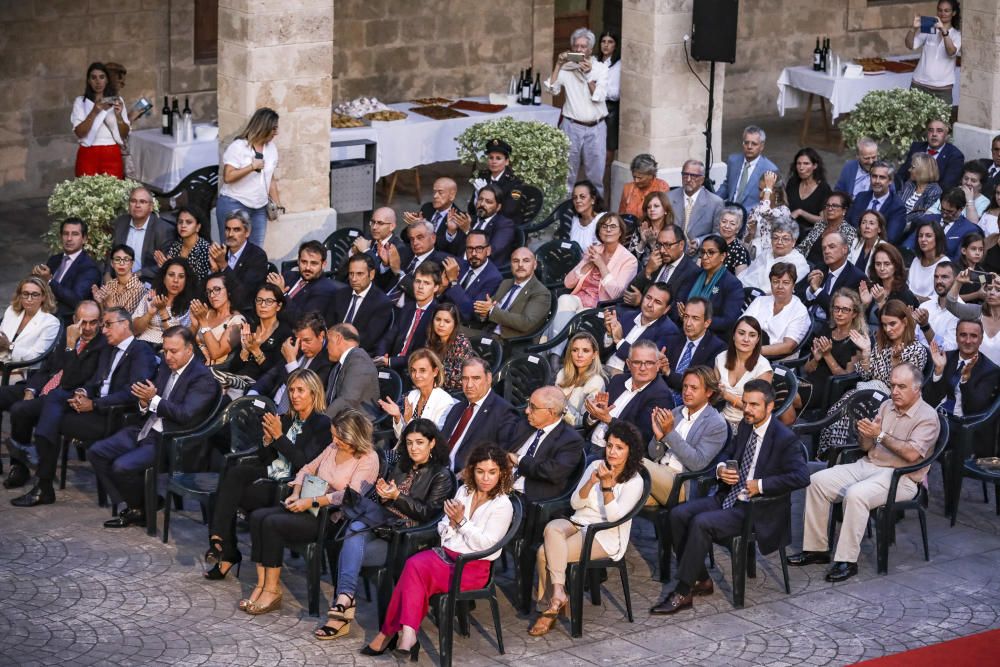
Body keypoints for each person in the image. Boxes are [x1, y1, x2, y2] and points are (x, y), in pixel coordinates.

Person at [651, 379, 809, 614]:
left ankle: (683, 592)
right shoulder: (746, 426)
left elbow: (801, 476)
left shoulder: (785, 438)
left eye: (754, 405)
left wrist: (762, 485)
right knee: (678, 514)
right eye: (745, 403)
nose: (747, 410)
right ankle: (701, 579)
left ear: (770, 406)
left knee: (701, 522)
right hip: (730, 496)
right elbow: (728, 452)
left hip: (757, 508)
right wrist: (722, 468)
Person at [362, 444, 513, 659]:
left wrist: (460, 522)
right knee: (413, 565)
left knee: (413, 573)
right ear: (472, 470)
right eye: (480, 471)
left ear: (502, 473)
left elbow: (486, 546)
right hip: (446, 556)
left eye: (492, 472)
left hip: (471, 567)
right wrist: (452, 524)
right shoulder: (464, 491)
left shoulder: (502, 505)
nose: (485, 478)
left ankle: (393, 634)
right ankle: (407, 633)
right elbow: (442, 528)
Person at [792, 364, 939, 582]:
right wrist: (865, 434)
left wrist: (879, 436)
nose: (895, 391)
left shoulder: (927, 417)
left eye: (902, 387)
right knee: (817, 481)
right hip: (869, 464)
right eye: (893, 385)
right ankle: (816, 549)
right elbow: (867, 447)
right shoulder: (887, 405)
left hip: (902, 477)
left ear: (917, 389)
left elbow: (910, 454)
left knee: (856, 494)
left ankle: (847, 561)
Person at [315, 418, 453, 641]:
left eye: (419, 442)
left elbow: (427, 513)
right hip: (384, 527)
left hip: (409, 539)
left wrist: (397, 496)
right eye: (409, 443)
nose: (413, 448)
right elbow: (385, 501)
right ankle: (344, 599)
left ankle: (341, 609)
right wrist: (383, 493)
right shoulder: (401, 467)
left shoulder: (441, 475)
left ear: (432, 443)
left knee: (350, 550)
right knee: (356, 527)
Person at [242, 409, 379, 615]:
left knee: (272, 523)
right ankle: (261, 585)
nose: (334, 440)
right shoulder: (333, 447)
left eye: (339, 437)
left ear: (354, 437)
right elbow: (307, 469)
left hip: (333, 518)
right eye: (333, 434)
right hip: (310, 504)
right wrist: (296, 493)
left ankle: (272, 590)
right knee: (259, 516)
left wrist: (311, 502)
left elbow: (351, 496)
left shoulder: (368, 458)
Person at [204, 369, 332, 580]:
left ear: (314, 393)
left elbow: (305, 465)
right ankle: (223, 544)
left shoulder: (321, 424)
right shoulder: (286, 418)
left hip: (292, 486)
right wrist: (266, 442)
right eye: (291, 390)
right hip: (271, 473)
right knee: (234, 474)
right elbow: (267, 459)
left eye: (301, 390)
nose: (294, 395)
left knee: (224, 497)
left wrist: (279, 437)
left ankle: (225, 551)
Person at [91, 326, 221, 526]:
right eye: (165, 350)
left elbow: (185, 415)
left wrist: (153, 400)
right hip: (147, 428)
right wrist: (144, 403)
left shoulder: (202, 378)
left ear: (189, 350)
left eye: (173, 351)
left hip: (172, 440)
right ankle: (138, 505)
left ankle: (141, 507)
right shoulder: (165, 367)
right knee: (97, 452)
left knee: (121, 466)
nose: (168, 356)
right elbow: (149, 401)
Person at [528, 420, 644, 636]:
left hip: (603, 534)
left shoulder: (634, 481)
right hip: (578, 522)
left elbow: (615, 518)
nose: (612, 452)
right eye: (609, 445)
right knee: (552, 529)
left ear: (631, 451)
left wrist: (607, 487)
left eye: (619, 448)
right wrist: (591, 483)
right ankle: (559, 594)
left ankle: (550, 606)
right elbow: (575, 504)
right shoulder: (594, 466)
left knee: (544, 553)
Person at [2, 301, 105, 492]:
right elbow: (47, 369)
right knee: (3, 395)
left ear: (100, 323)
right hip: (43, 387)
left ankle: (20, 466)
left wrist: (71, 346)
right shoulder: (68, 336)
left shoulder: (101, 346)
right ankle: (20, 459)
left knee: (20, 410)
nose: (88, 328)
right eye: (83, 322)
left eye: (94, 323)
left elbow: (71, 380)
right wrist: (30, 390)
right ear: (74, 320)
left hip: (62, 394)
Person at [817, 300, 928, 458]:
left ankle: (838, 455)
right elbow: (865, 375)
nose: (888, 329)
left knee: (846, 413)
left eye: (892, 324)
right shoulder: (882, 344)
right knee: (837, 411)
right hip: (867, 390)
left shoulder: (917, 350)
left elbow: (901, 387)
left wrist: (896, 362)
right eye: (884, 325)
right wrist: (867, 352)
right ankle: (827, 455)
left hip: (890, 400)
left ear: (904, 322)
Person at [544, 213, 637, 358]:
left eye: (613, 226)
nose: (608, 229)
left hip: (600, 306)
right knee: (564, 300)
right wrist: (587, 263)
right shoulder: (595, 249)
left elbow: (616, 293)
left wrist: (600, 264)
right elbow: (568, 282)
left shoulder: (629, 260)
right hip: (580, 297)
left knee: (572, 316)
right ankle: (555, 356)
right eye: (604, 226)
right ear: (599, 231)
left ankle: (552, 353)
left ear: (620, 232)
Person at [644, 366, 729, 506]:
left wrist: (669, 433)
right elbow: (654, 455)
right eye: (685, 387)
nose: (687, 392)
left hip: (681, 483)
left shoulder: (716, 424)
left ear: (708, 392)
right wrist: (658, 438)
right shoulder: (676, 412)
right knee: (621, 497)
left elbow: (697, 463)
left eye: (694, 388)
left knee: (634, 461)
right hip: (658, 473)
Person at [545, 28, 610, 197]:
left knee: (595, 176)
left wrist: (588, 74)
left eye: (583, 47)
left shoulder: (600, 68)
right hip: (571, 126)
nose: (580, 50)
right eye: (576, 46)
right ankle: (564, 213)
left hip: (596, 128)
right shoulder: (567, 68)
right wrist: (558, 65)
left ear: (590, 49)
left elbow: (600, 96)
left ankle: (598, 215)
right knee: (566, 175)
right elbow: (551, 90)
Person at [585, 339, 672, 449]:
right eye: (637, 362)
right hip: (586, 442)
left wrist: (608, 419)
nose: (643, 368)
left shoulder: (661, 396)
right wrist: (594, 415)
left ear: (658, 365)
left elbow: (641, 437)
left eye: (649, 363)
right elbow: (587, 423)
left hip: (614, 456)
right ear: (628, 364)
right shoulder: (617, 380)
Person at [216, 107, 282, 247]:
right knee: (231, 249)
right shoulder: (239, 146)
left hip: (259, 207)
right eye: (273, 129)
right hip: (234, 203)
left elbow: (270, 178)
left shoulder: (271, 149)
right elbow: (228, 176)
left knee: (256, 251)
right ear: (263, 127)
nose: (276, 133)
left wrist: (277, 204)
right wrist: (251, 167)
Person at [505, 387, 585, 500]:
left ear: (551, 412)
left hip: (525, 498)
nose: (527, 411)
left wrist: (519, 460)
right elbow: (501, 446)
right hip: (497, 486)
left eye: (533, 407)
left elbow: (552, 472)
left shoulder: (570, 440)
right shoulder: (525, 423)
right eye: (528, 404)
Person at [440, 357, 518, 471]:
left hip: (467, 478)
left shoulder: (504, 412)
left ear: (489, 378)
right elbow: (441, 442)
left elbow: (503, 456)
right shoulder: (457, 408)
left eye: (476, 378)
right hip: (439, 472)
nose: (469, 385)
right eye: (465, 379)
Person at [247, 313, 332, 412]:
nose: (302, 347)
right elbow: (271, 375)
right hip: (270, 404)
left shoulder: (327, 362)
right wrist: (253, 393)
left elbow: (305, 393)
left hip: (291, 414)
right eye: (299, 341)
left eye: (307, 341)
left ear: (321, 336)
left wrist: (291, 360)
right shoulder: (296, 349)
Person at [217, 284, 292, 395]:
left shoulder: (284, 332)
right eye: (259, 300)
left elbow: (274, 373)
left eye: (269, 301)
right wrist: (245, 351)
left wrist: (256, 351)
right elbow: (233, 367)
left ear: (278, 306)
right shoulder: (249, 328)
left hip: (256, 388)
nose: (262, 305)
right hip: (234, 380)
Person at [800, 289, 866, 411]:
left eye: (845, 310)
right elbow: (806, 369)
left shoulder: (857, 340)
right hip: (808, 383)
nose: (839, 313)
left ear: (854, 314)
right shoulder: (826, 330)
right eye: (836, 308)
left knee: (782, 399)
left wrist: (827, 355)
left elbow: (846, 379)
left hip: (829, 391)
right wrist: (815, 359)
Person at [659, 297, 727, 406]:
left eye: (695, 318)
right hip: (660, 397)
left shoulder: (717, 349)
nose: (688, 323)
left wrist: (668, 373)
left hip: (689, 407)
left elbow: (700, 387)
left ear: (707, 323)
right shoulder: (672, 339)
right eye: (686, 317)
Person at [925, 319, 1000, 417]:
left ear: (981, 340)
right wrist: (939, 371)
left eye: (973, 336)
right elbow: (927, 399)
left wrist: (965, 380)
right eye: (963, 335)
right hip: (935, 417)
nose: (968, 341)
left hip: (963, 425)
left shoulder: (991, 370)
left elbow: (976, 409)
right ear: (956, 338)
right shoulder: (944, 358)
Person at [473, 247, 552, 340]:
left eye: (526, 261)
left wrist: (491, 311)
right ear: (511, 265)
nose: (520, 265)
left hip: (507, 342)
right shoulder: (505, 283)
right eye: (515, 261)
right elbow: (489, 308)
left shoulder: (541, 292)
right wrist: (484, 312)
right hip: (486, 333)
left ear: (534, 265)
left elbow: (526, 323)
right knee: (456, 331)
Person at [33, 218, 102, 322]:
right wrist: (37, 278)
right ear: (61, 237)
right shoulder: (54, 259)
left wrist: (49, 280)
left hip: (64, 320)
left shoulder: (89, 267)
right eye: (65, 234)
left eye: (75, 234)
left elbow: (77, 300)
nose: (69, 238)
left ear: (84, 239)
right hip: (41, 312)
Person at [379, 348, 457, 438]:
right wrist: (397, 417)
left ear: (435, 372)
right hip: (405, 450)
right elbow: (400, 437)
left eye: (422, 370)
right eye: (413, 370)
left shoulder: (444, 402)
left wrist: (408, 424)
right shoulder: (411, 396)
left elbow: (435, 441)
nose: (416, 375)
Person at [603, 282, 677, 376]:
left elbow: (644, 361)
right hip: (604, 366)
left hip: (627, 377)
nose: (650, 304)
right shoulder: (628, 315)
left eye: (657, 302)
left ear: (666, 309)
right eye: (648, 298)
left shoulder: (668, 331)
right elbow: (606, 350)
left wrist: (619, 341)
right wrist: (610, 334)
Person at [742, 263, 811, 360]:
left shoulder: (799, 311)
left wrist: (753, 350)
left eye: (786, 282)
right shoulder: (760, 301)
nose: (780, 286)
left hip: (774, 359)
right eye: (775, 282)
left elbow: (789, 346)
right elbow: (740, 326)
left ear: (793, 285)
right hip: (745, 348)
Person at [71, 62, 129, 178]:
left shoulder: (117, 100)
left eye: (102, 77)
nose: (98, 81)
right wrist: (94, 111)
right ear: (88, 81)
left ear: (107, 80)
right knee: (87, 193)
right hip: (88, 152)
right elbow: (79, 133)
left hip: (111, 152)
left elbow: (124, 134)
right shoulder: (81, 102)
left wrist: (118, 115)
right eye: (93, 78)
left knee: (113, 193)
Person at [327, 254, 393, 355]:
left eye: (359, 274)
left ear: (371, 275)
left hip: (356, 353)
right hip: (330, 347)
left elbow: (369, 340)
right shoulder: (340, 294)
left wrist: (340, 347)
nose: (353, 279)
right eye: (351, 274)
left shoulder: (382, 303)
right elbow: (329, 323)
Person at [714, 316, 773, 429]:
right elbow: (714, 396)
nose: (746, 339)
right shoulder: (720, 358)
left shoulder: (763, 368)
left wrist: (726, 395)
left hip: (749, 424)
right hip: (720, 417)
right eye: (741, 333)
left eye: (752, 335)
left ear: (757, 339)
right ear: (733, 335)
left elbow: (756, 409)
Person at [380, 264, 442, 372]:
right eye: (418, 281)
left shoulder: (437, 315)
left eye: (426, 283)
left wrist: (391, 362)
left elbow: (424, 352)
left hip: (416, 370)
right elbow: (388, 337)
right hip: (390, 364)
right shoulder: (407, 307)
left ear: (436, 287)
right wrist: (381, 355)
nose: (420, 287)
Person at [625, 225, 699, 314]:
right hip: (636, 314)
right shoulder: (656, 260)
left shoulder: (692, 272)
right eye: (660, 245)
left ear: (681, 245)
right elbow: (629, 293)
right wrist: (648, 270)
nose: (662, 250)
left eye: (668, 245)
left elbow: (676, 312)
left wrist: (641, 301)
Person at [678, 235, 744, 335]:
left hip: (711, 335)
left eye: (711, 253)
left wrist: (700, 321)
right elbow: (679, 301)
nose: (704, 257)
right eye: (703, 252)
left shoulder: (732, 284)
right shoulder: (693, 274)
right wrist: (682, 312)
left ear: (723, 256)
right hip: (683, 328)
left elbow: (728, 321)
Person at [110, 186, 176, 283]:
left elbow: (167, 265)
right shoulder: (121, 222)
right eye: (133, 201)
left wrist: (138, 274)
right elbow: (111, 255)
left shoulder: (163, 229)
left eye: (142, 202)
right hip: (118, 281)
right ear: (129, 205)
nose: (137, 205)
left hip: (147, 283)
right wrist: (107, 277)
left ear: (151, 207)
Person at [0, 277, 61, 381]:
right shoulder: (11, 311)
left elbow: (35, 358)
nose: (29, 299)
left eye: (35, 295)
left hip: (22, 371)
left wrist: (9, 346)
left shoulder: (51, 323)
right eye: (25, 294)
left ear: (44, 297)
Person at [208, 210, 269, 314]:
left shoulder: (257, 256)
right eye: (227, 229)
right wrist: (214, 271)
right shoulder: (221, 252)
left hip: (244, 314)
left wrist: (223, 265)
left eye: (236, 230)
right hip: (218, 310)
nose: (230, 234)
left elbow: (243, 296)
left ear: (247, 232)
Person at [267, 241, 338, 326]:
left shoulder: (324, 289)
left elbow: (302, 321)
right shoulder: (288, 276)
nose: (307, 267)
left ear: (323, 264)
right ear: (298, 261)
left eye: (313, 263)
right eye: (304, 262)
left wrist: (282, 294)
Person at [441, 184, 515, 266]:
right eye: (480, 199)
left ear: (498, 207)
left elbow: (491, 252)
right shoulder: (469, 219)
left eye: (488, 202)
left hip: (481, 267)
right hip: (459, 262)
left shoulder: (505, 224)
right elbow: (450, 250)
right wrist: (451, 231)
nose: (482, 204)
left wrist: (468, 231)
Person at [800, 231, 867, 321]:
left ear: (845, 249)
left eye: (831, 247)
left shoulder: (856, 277)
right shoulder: (820, 267)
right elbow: (799, 294)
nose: (826, 251)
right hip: (805, 317)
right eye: (824, 248)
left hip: (828, 325)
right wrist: (811, 290)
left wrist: (817, 290)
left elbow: (839, 311)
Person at [905, 0, 961, 107]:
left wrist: (943, 31)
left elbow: (951, 52)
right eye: (940, 10)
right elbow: (910, 45)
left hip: (942, 88)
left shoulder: (957, 35)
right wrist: (913, 29)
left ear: (953, 13)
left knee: (940, 123)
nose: (942, 13)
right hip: (919, 84)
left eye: (946, 11)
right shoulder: (929, 29)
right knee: (915, 122)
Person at [439, 231, 502, 323]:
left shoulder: (494, 278)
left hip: (462, 324)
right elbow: (443, 298)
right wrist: (441, 289)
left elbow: (470, 312)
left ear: (488, 250)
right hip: (442, 315)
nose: (473, 253)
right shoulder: (460, 265)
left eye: (479, 248)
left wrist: (453, 281)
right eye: (469, 249)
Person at [346, 207, 412, 294]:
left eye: (380, 223)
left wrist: (366, 251)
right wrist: (352, 252)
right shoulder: (369, 237)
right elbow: (345, 265)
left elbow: (383, 281)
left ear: (392, 226)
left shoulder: (398, 248)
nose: (374, 227)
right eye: (373, 222)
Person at [131, 257, 195, 345]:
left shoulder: (189, 306)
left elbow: (177, 340)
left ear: (186, 281)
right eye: (171, 275)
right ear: (164, 278)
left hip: (166, 349)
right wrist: (149, 313)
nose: (175, 280)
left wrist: (162, 311)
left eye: (181, 276)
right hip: (141, 344)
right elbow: (134, 330)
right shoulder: (151, 296)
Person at [716, 125, 779, 212]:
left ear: (762, 146)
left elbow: (770, 200)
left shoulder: (769, 169)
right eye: (746, 142)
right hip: (729, 212)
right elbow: (727, 185)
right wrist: (713, 200)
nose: (749, 147)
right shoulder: (733, 160)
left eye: (754, 144)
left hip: (751, 217)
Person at [384, 220, 450, 303]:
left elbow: (425, 294)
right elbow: (385, 283)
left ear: (433, 238)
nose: (415, 243)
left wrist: (398, 272)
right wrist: (385, 264)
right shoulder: (403, 252)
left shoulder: (441, 262)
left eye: (420, 237)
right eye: (412, 239)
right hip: (384, 301)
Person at [325, 323, 380, 419]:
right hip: (341, 422)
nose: (326, 347)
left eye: (328, 341)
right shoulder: (340, 365)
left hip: (357, 427)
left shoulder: (359, 359)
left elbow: (348, 400)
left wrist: (322, 421)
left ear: (338, 338)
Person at [945, 269, 1000, 365]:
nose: (991, 293)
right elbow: (950, 304)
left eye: (998, 290)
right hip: (972, 375)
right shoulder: (976, 312)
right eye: (989, 289)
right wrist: (958, 282)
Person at [739, 218, 810, 293]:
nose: (779, 242)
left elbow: (781, 291)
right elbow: (746, 276)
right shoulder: (766, 254)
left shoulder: (798, 262)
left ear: (793, 242)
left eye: (785, 239)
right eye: (775, 238)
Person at [189, 272, 245, 365]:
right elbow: (184, 343)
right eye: (209, 291)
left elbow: (216, 353)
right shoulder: (206, 312)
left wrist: (203, 322)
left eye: (217, 289)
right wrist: (194, 325)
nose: (212, 295)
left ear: (229, 291)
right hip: (194, 362)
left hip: (215, 372)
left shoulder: (237, 321)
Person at [846, 162, 907, 244]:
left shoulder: (897, 207)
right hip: (850, 242)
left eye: (882, 178)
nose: (877, 181)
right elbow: (847, 222)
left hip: (876, 249)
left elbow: (890, 238)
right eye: (874, 176)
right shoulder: (861, 197)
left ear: (890, 181)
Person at [897, 118, 964, 192]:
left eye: (939, 131)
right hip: (906, 192)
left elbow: (946, 186)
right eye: (931, 130)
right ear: (927, 133)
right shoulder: (917, 147)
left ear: (946, 134)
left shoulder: (955, 156)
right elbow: (902, 174)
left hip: (932, 198)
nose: (934, 134)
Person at [669, 159, 724, 249]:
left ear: (702, 179)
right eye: (685, 175)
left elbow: (718, 233)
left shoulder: (715, 203)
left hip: (700, 254)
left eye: (694, 176)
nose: (688, 179)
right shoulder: (669, 197)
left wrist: (699, 242)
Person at [466, 138, 525, 222]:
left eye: (498, 158)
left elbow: (509, 210)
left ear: (507, 161)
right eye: (491, 158)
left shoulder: (515, 183)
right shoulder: (483, 177)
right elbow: (471, 209)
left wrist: (487, 192)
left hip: (504, 225)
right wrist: (477, 197)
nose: (494, 162)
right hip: (481, 221)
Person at [555, 332, 607, 427]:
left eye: (585, 351)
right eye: (575, 350)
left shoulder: (596, 382)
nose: (579, 355)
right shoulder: (563, 373)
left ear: (594, 354)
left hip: (568, 432)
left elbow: (580, 422)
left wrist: (561, 403)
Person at [861, 244, 920, 326]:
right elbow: (859, 322)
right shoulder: (871, 288)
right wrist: (865, 305)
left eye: (887, 264)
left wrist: (881, 302)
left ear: (895, 265)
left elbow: (894, 329)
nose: (882, 268)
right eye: (878, 264)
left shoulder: (905, 295)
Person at [796, 192, 858, 268]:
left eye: (834, 206)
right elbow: (803, 247)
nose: (830, 208)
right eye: (828, 205)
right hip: (804, 266)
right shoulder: (820, 225)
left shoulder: (850, 232)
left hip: (825, 272)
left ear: (844, 210)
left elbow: (842, 260)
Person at [154, 205, 212, 285]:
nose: (183, 226)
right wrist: (165, 269)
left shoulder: (205, 249)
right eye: (180, 222)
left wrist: (170, 269)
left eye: (188, 222)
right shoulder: (176, 245)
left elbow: (199, 283)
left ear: (198, 227)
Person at [919, 187, 980, 262]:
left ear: (961, 209)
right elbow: (911, 243)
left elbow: (959, 259)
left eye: (950, 212)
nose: (944, 215)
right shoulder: (927, 219)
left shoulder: (969, 230)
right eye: (942, 209)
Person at [742, 170, 792, 261]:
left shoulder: (784, 211)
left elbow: (765, 212)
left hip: (773, 259)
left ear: (776, 192)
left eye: (764, 190)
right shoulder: (756, 209)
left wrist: (768, 187)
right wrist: (750, 234)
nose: (761, 195)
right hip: (753, 257)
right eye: (760, 190)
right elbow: (745, 244)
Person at [912, 260, 960, 352]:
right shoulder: (925, 305)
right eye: (936, 277)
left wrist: (925, 326)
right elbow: (914, 338)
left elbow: (947, 350)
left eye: (944, 277)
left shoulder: (962, 312)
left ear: (956, 280)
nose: (938, 281)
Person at [786, 147, 832, 239]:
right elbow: (785, 205)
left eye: (806, 164)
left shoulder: (823, 188)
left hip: (811, 235)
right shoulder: (793, 182)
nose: (801, 168)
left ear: (815, 166)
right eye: (799, 164)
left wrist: (801, 212)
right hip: (789, 231)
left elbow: (825, 221)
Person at [597, 31, 621, 194]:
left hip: (609, 109)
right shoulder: (595, 62)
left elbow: (615, 93)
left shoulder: (618, 66)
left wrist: (597, 90)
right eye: (604, 41)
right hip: (594, 108)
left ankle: (604, 185)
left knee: (607, 150)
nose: (606, 45)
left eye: (610, 42)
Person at [403, 178, 461, 244]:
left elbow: (451, 249)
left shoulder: (458, 218)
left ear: (452, 195)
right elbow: (404, 238)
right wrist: (414, 226)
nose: (434, 196)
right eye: (434, 192)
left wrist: (423, 228)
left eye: (440, 192)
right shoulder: (427, 208)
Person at [93, 244, 146, 313]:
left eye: (126, 259)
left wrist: (109, 300)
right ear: (112, 263)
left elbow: (123, 319)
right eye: (117, 259)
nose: (121, 263)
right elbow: (104, 315)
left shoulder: (138, 288)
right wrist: (99, 302)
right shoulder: (110, 284)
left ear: (132, 264)